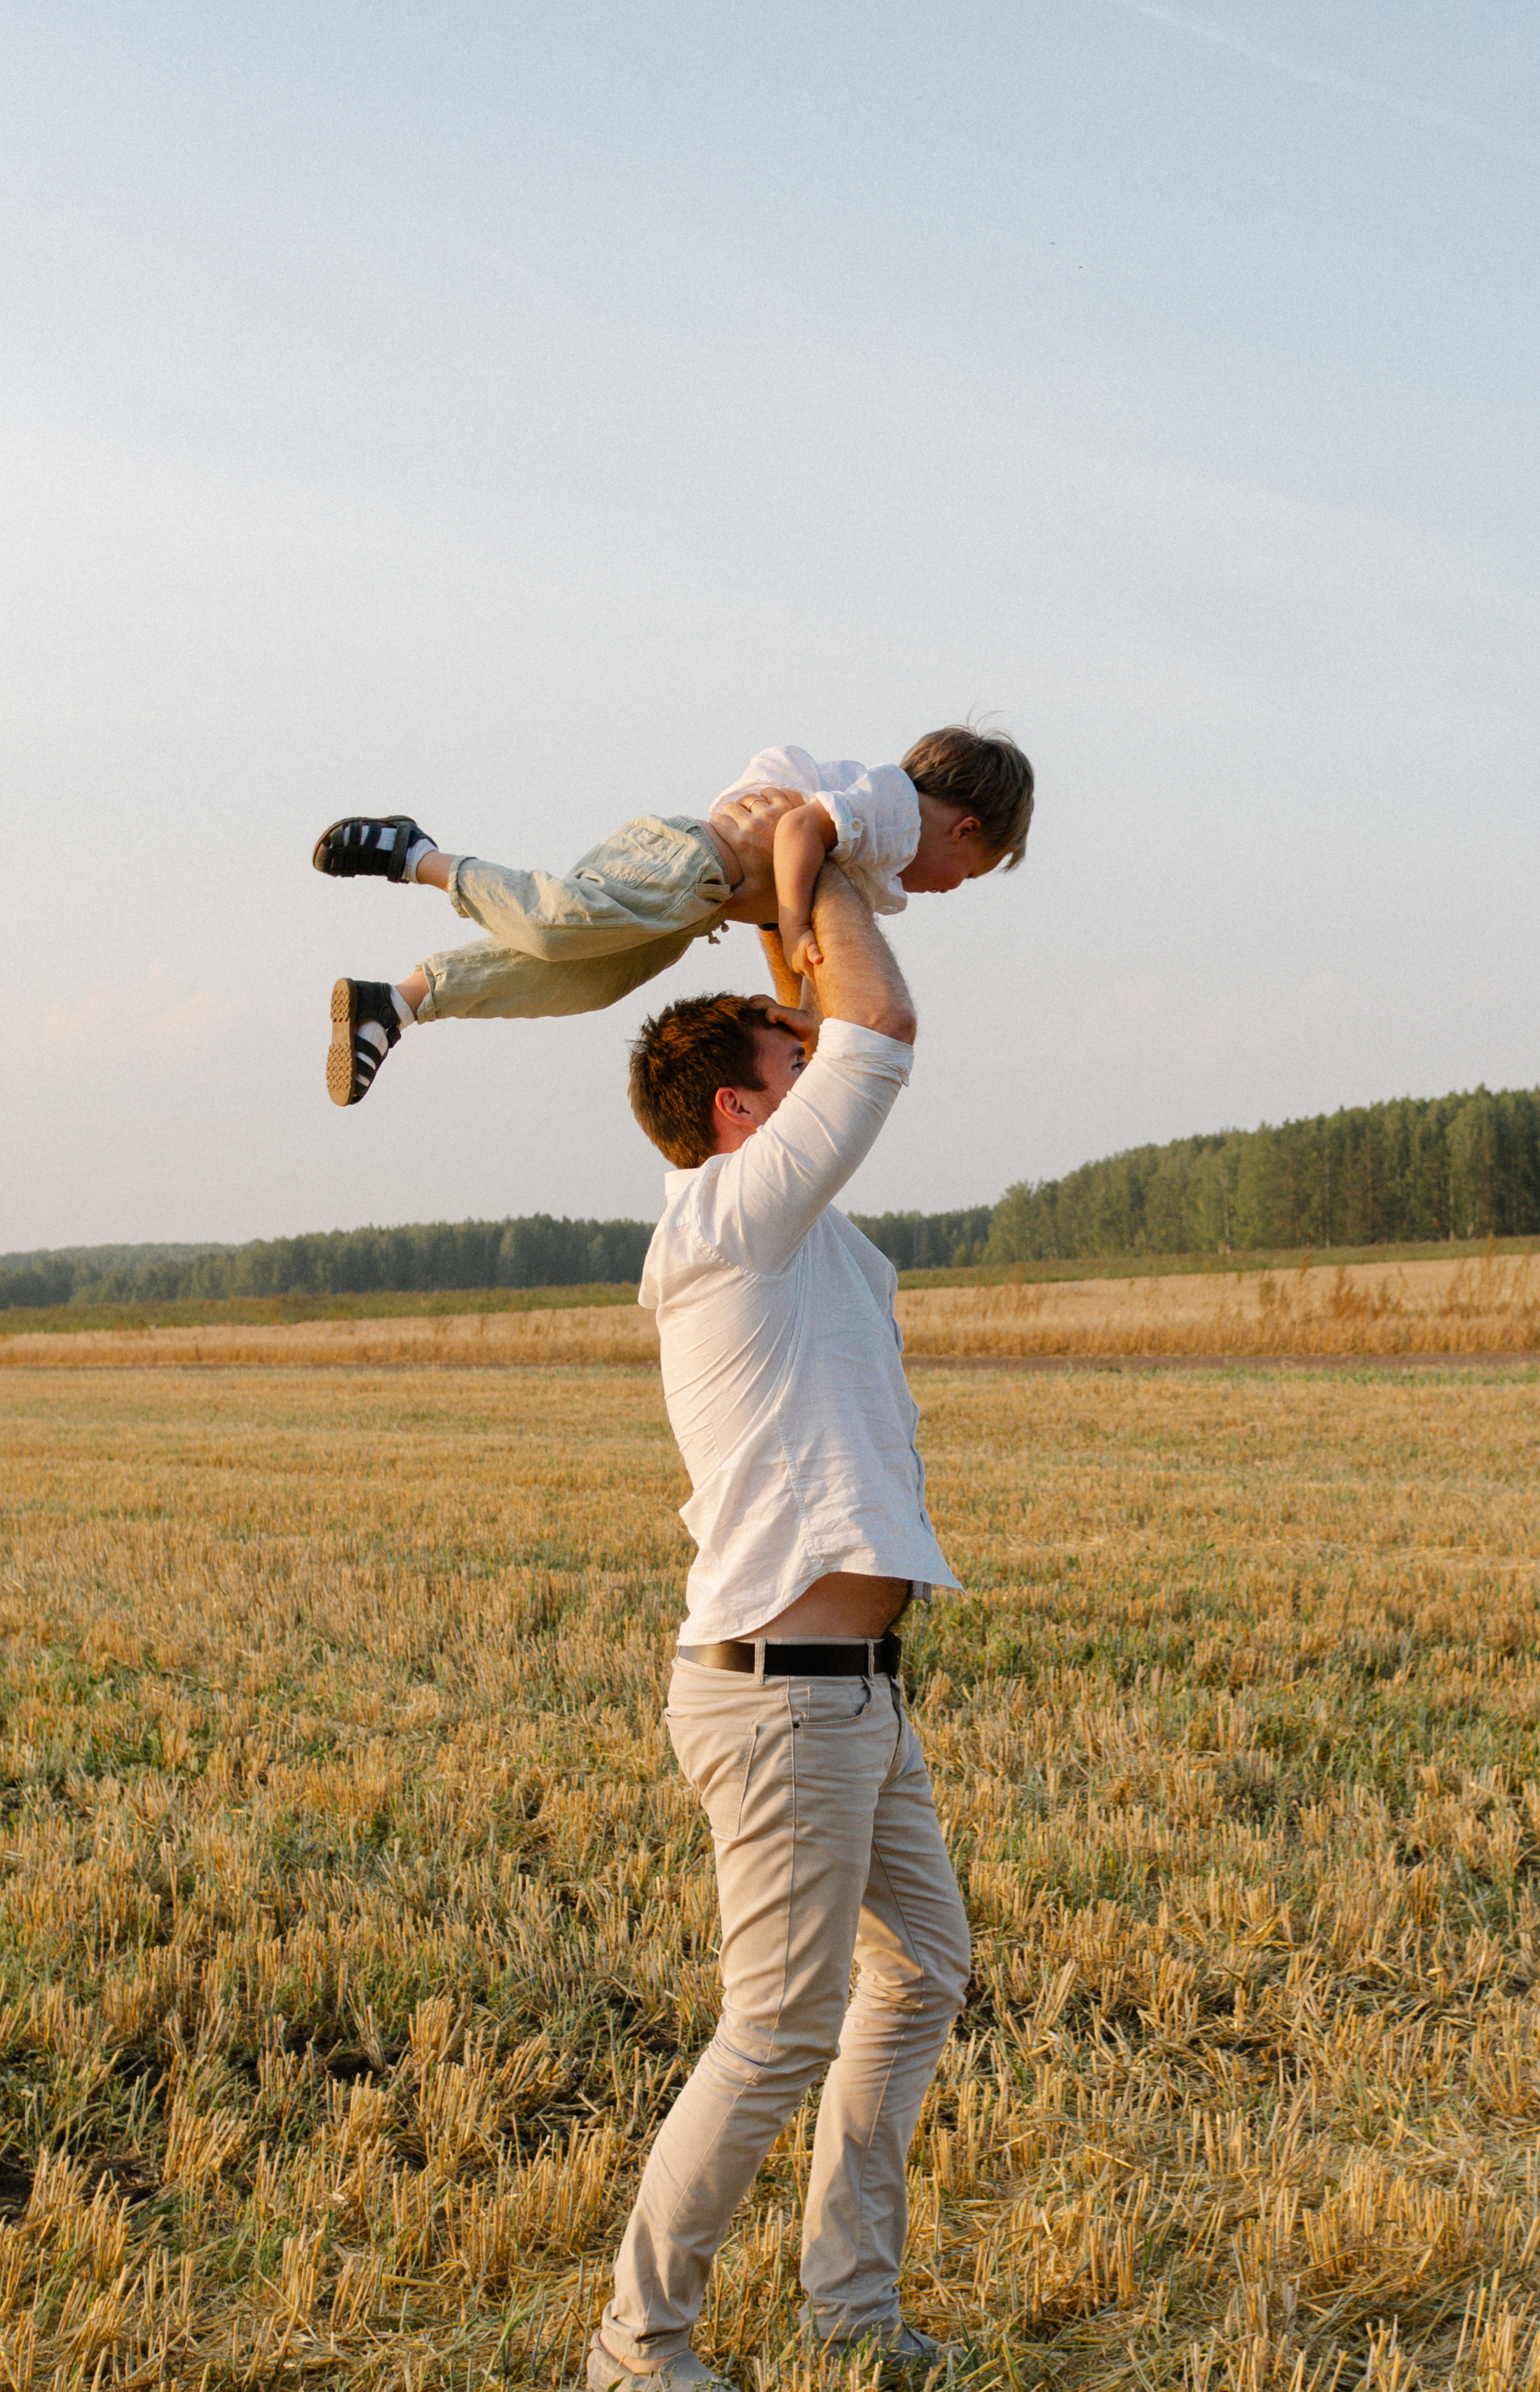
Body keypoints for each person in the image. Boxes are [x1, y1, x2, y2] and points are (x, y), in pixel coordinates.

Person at [587, 863, 972, 2392]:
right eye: (786, 1061)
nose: (814, 1055)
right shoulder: (731, 1221)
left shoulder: (781, 1215)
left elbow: (825, 1005)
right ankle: (637, 2345)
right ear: (743, 1116)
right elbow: (875, 1014)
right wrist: (835, 847)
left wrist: (797, 889)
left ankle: (852, 2311)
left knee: (920, 1969)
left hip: (854, 1692)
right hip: (782, 1699)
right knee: (772, 2029)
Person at [310, 726, 1033, 1106]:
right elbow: (793, 834)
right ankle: (416, 854)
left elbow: (786, 920)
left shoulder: (881, 846)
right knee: (557, 925)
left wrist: (802, 1011)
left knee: (586, 981)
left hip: (695, 904)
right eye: (966, 874)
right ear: (964, 829)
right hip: (688, 861)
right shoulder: (895, 810)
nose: (950, 889)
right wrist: (799, 921)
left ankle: (397, 1004)